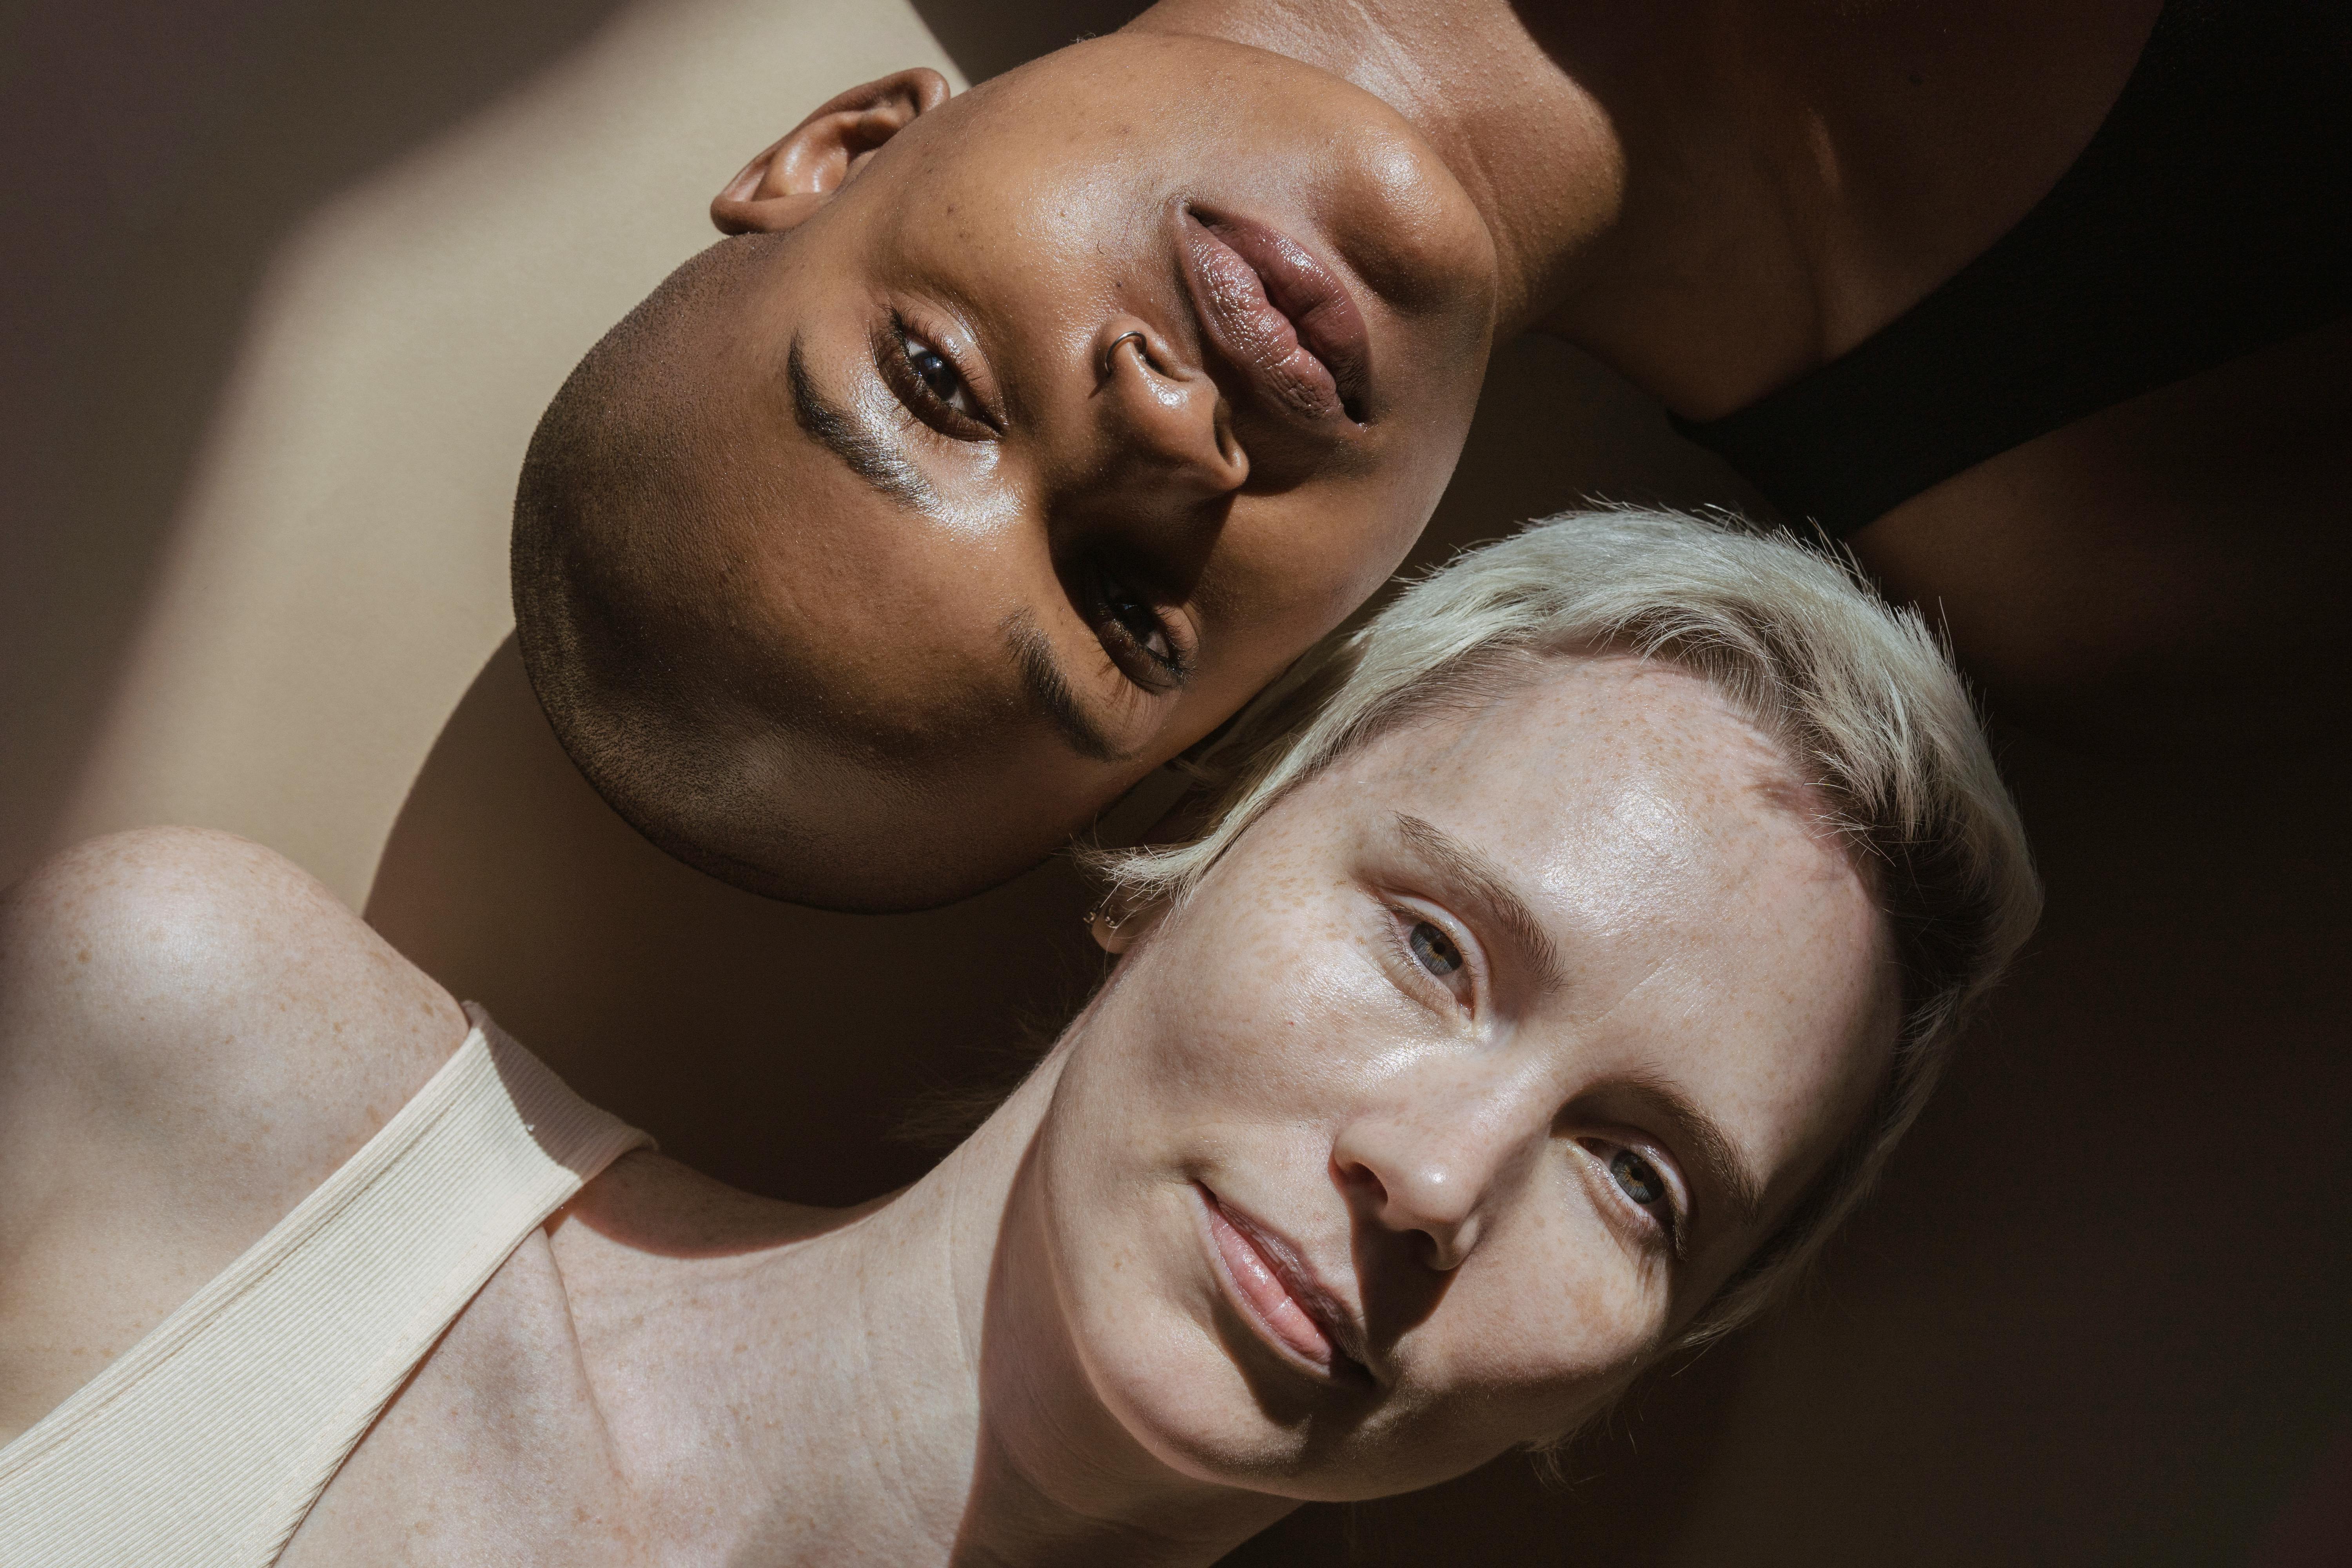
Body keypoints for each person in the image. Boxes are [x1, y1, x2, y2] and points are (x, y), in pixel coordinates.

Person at [0, 512, 2035, 1564]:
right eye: (1433, 948)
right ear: (1190, 839)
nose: (1434, 1179)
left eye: (1636, 1176)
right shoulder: (190, 1075)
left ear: (1651, 1356)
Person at [509, 0, 2347, 912]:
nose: (1166, 433)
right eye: (1128, 613)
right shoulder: (2145, 541)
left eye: (939, 382)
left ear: (842, 148)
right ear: (1275, 695)